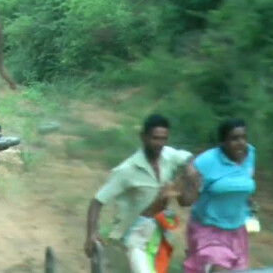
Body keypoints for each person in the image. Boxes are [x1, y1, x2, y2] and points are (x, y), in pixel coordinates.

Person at [84, 114, 197, 273]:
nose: (159, 144)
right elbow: (96, 201)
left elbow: (187, 157)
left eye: (163, 139)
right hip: (128, 239)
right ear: (143, 137)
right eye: (154, 138)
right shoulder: (126, 170)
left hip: (156, 237)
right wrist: (92, 234)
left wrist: (190, 167)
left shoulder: (168, 155)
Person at [182, 118, 256, 273]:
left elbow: (244, 183)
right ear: (222, 142)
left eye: (243, 137)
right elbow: (185, 201)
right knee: (219, 268)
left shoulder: (249, 154)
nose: (241, 142)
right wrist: (191, 182)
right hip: (208, 229)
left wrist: (249, 208)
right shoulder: (206, 161)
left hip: (237, 230)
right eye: (234, 139)